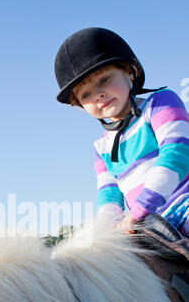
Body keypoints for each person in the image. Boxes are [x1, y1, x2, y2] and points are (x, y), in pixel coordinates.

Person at [54, 27, 189, 236]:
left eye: (103, 80)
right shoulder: (101, 148)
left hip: (183, 204)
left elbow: (177, 152)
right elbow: (109, 194)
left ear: (130, 71)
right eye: (85, 94)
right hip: (146, 225)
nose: (98, 95)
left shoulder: (159, 104)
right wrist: (108, 229)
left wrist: (139, 210)